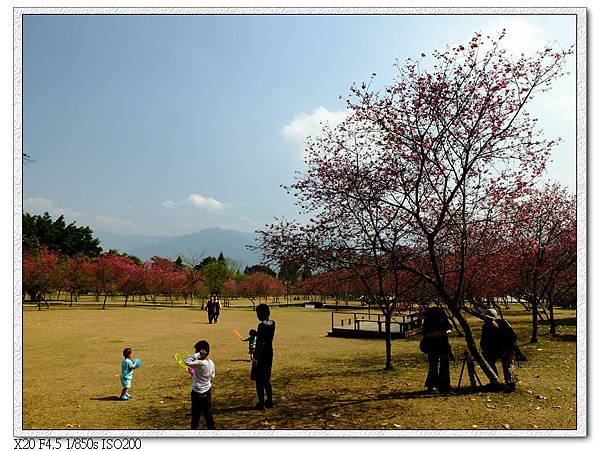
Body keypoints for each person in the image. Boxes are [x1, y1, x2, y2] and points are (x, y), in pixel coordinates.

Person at [480, 308, 518, 392]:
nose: (486, 320)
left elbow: (511, 338)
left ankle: (510, 384)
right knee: (490, 361)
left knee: (506, 364)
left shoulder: (499, 324)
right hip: (500, 348)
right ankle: (496, 381)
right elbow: (485, 341)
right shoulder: (488, 326)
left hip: (508, 347)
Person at [419, 307, 453, 393]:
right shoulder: (429, 321)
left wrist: (445, 332)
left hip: (443, 345)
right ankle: (431, 385)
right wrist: (434, 334)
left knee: (444, 366)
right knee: (433, 366)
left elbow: (449, 328)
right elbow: (425, 333)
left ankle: (444, 386)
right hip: (432, 346)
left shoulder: (442, 319)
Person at [184, 340, 216, 429]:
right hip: (207, 391)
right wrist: (196, 373)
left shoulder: (199, 363)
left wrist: (197, 355)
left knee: (195, 415)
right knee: (208, 414)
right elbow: (212, 375)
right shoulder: (211, 362)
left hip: (197, 393)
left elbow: (186, 361)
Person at [251, 304, 275, 409]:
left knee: (259, 380)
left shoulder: (261, 325)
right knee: (266, 378)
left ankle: (261, 403)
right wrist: (256, 334)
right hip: (269, 353)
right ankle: (269, 401)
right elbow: (265, 336)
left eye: (258, 313)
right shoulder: (272, 323)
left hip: (261, 355)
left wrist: (256, 357)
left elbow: (261, 342)